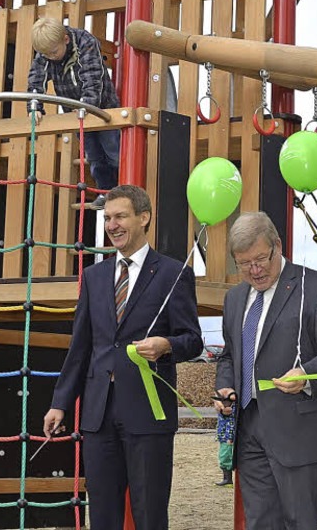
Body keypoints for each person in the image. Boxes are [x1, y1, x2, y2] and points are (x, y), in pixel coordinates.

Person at [43, 184, 203, 530]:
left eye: (120, 217)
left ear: (143, 218)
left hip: (148, 414)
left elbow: (193, 341)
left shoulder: (174, 273)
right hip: (98, 415)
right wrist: (60, 402)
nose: (112, 225)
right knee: (102, 515)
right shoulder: (94, 276)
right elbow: (81, 347)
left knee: (149, 515)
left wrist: (166, 345)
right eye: (108, 218)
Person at [214, 211, 317, 529]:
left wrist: (307, 373)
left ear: (277, 245)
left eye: (261, 259)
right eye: (244, 264)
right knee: (260, 522)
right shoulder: (234, 298)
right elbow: (229, 356)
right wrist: (224, 387)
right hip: (248, 430)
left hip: (300, 432)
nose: (254, 270)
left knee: (301, 523)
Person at [27, 16, 120, 208]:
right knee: (94, 155)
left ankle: (125, 189)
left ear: (66, 39)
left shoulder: (85, 42)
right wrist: (35, 106)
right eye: (45, 54)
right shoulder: (46, 54)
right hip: (76, 115)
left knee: (113, 151)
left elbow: (93, 76)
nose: (50, 57)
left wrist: (87, 103)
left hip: (103, 110)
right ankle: (107, 191)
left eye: (53, 52)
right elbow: (36, 80)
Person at [215, 404, 235, 488]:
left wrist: (229, 438)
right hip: (223, 438)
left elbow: (231, 426)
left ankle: (228, 479)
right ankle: (227, 478)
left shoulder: (231, 416)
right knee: (223, 457)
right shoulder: (222, 415)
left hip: (227, 439)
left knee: (225, 457)